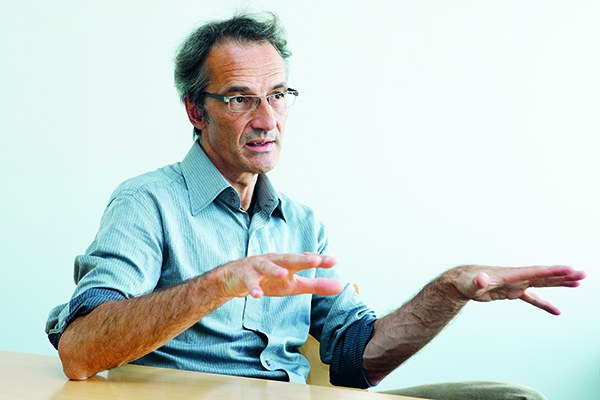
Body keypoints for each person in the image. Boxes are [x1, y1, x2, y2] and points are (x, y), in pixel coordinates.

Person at [45, 12, 585, 400]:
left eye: (278, 95)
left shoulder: (302, 224)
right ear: (196, 110)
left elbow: (356, 361)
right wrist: (222, 282)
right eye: (240, 98)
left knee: (512, 398)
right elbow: (80, 350)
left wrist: (450, 290)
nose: (266, 120)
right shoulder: (146, 202)